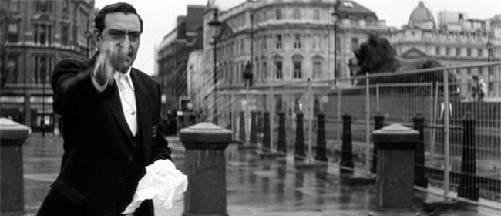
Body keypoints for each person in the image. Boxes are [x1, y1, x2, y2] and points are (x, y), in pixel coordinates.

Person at [37, 2, 171, 216]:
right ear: (97, 38)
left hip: (136, 210)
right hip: (81, 209)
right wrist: (102, 71)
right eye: (117, 35)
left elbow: (157, 142)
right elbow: (67, 99)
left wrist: (163, 166)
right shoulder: (73, 70)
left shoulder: (149, 86)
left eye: (134, 36)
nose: (127, 44)